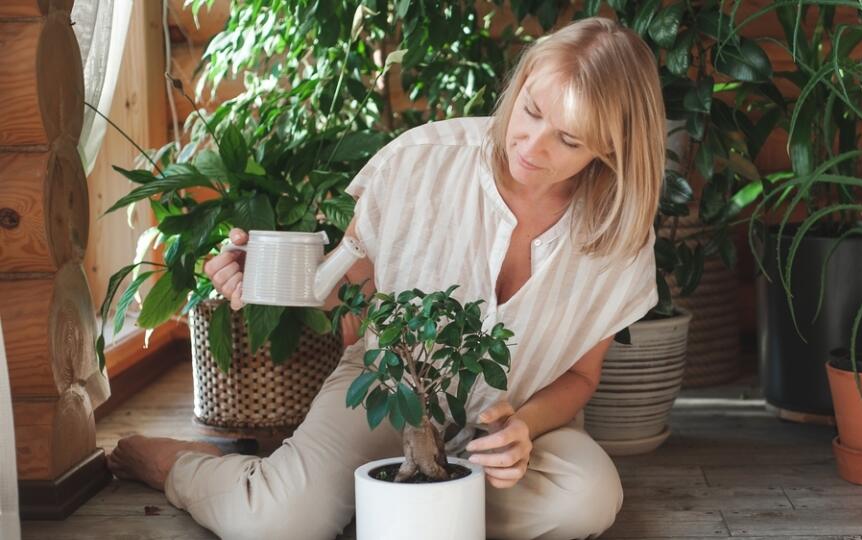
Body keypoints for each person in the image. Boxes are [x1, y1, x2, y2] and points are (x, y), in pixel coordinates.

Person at [107, 16, 664, 540]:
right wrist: (262, 274)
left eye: (569, 140)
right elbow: (339, 290)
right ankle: (181, 466)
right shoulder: (423, 161)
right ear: (519, 86)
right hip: (388, 387)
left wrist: (521, 428)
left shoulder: (620, 231)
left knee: (585, 499)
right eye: (531, 110)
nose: (532, 145)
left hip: (517, 414)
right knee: (276, 521)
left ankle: (379, 498)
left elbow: (581, 378)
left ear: (610, 148)